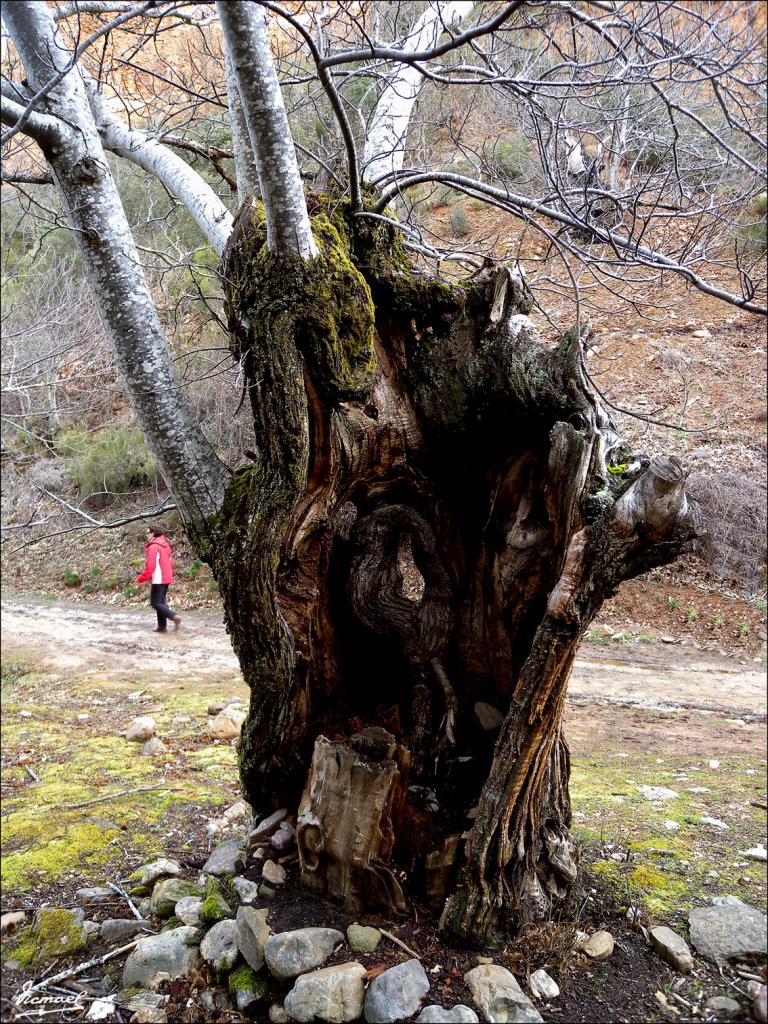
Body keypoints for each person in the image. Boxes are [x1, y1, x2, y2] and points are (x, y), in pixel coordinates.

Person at [135, 526, 181, 633]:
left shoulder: (154, 547)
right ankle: (162, 627)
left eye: (148, 532)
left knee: (155, 602)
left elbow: (150, 566)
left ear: (153, 533)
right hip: (166, 577)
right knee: (160, 602)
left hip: (158, 578)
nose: (146, 535)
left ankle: (174, 617)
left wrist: (141, 579)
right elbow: (171, 562)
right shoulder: (164, 545)